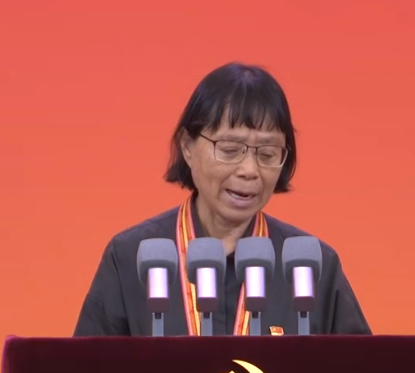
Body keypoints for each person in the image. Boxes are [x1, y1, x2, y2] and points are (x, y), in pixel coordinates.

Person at [73, 62, 371, 337]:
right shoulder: (132, 257)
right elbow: (86, 372)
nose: (250, 170)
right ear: (187, 146)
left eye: (267, 154)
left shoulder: (310, 266)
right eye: (230, 150)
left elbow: (363, 371)